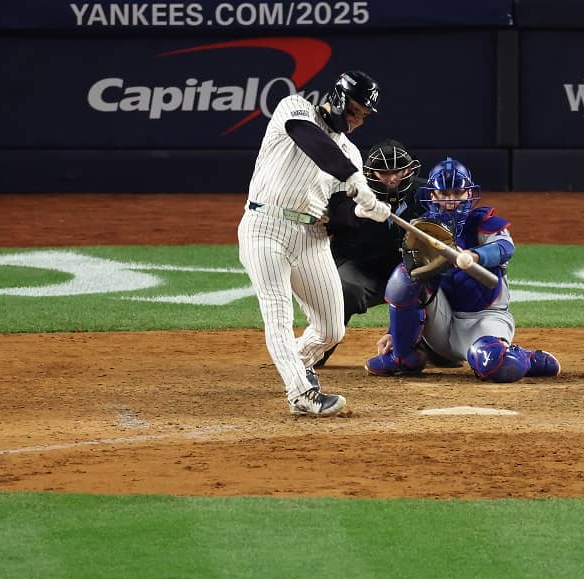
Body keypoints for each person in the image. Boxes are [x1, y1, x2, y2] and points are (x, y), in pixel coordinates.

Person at [238, 70, 390, 416]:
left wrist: (362, 211)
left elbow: (338, 213)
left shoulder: (350, 152)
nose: (357, 120)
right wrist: (353, 177)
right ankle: (301, 393)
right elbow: (313, 142)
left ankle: (296, 361)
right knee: (278, 314)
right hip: (265, 226)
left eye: (364, 116)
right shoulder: (295, 109)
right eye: (354, 111)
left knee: (331, 328)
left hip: (311, 239)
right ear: (337, 98)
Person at [363, 157, 560, 382]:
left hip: (485, 318)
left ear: (469, 193)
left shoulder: (482, 223)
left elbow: (505, 248)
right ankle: (403, 357)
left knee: (495, 365)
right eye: (444, 194)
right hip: (441, 321)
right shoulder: (424, 230)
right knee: (405, 275)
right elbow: (411, 287)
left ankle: (525, 357)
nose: (451, 201)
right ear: (432, 195)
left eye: (457, 193)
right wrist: (393, 333)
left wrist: (474, 255)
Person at [313, 139, 426, 368]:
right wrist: (341, 214)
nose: (392, 178)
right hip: (361, 270)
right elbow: (330, 223)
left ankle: (419, 348)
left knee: (436, 286)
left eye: (398, 171)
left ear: (409, 169)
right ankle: (315, 350)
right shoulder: (351, 192)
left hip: (408, 272)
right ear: (370, 173)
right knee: (342, 290)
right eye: (384, 173)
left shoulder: (427, 194)